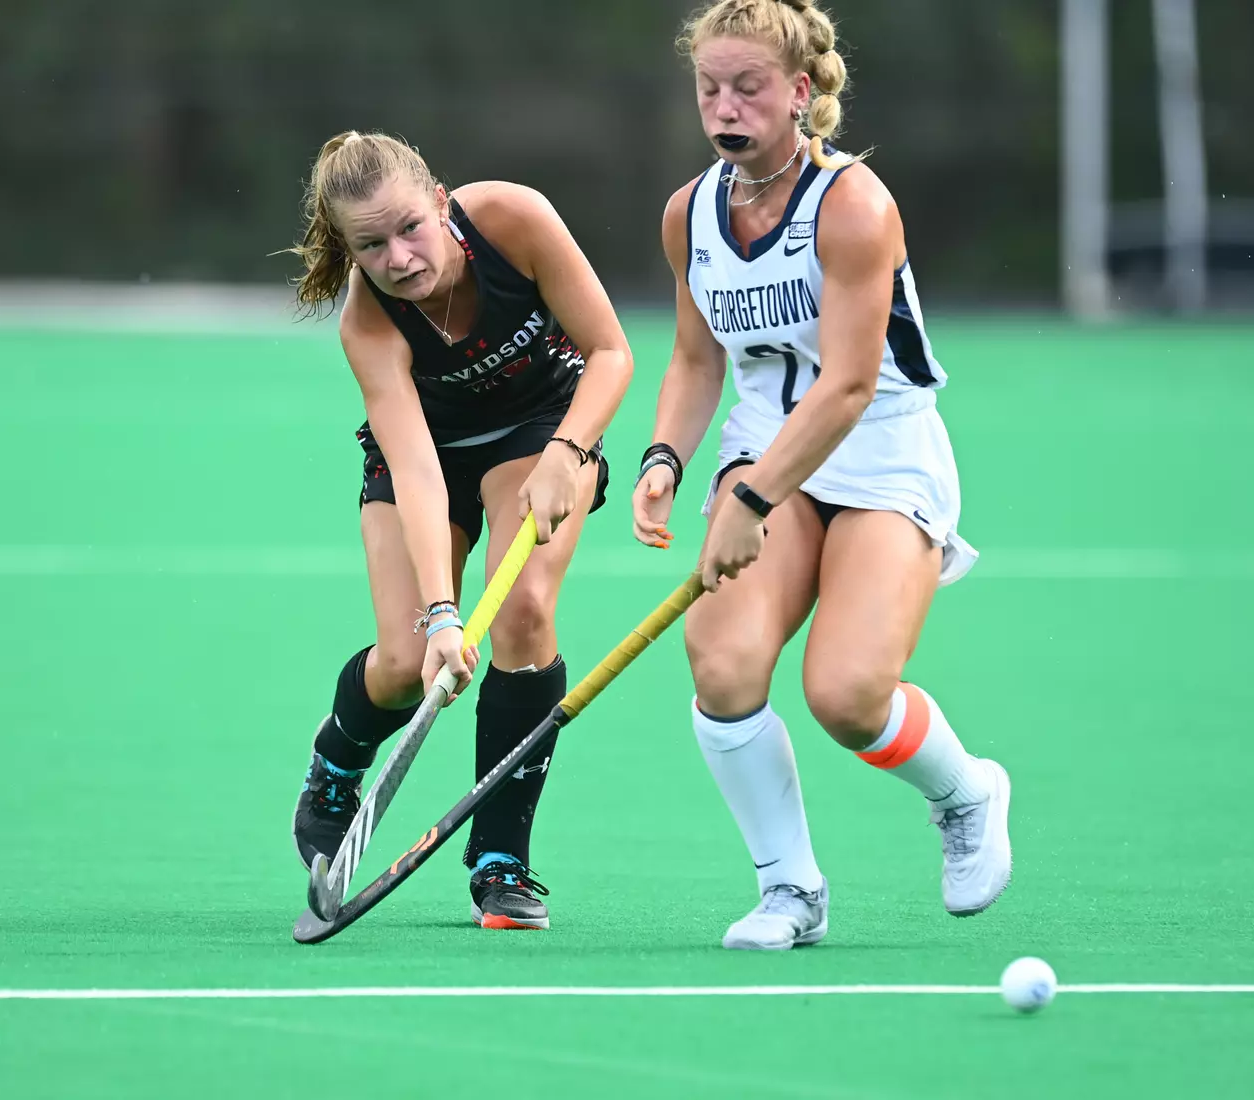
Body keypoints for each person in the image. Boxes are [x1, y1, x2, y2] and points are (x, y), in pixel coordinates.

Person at [632, 0, 1012, 950]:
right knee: (721, 665)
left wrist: (749, 499)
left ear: (799, 92)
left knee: (845, 695)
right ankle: (790, 891)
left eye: (748, 87)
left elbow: (845, 386)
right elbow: (694, 360)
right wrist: (666, 459)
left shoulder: (853, 206)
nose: (726, 106)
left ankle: (967, 793)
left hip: (881, 449)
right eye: (710, 87)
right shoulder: (689, 214)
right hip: (765, 441)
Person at [287, 131, 633, 930]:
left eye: (411, 227)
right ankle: (339, 753)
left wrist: (567, 453)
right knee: (408, 662)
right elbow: (413, 469)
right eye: (371, 246)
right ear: (348, 250)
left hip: (543, 425)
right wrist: (442, 617)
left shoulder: (514, 220)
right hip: (429, 454)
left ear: (442, 202)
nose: (401, 257)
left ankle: (499, 859)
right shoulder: (367, 328)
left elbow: (611, 351)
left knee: (521, 611)